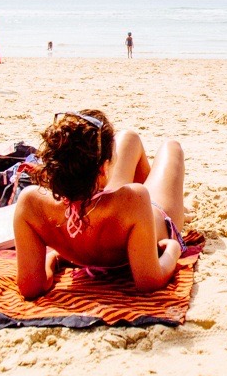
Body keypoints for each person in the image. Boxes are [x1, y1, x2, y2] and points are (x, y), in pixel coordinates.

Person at [13, 110, 186, 299]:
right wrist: (173, 249)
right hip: (148, 217)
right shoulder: (135, 198)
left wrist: (52, 259)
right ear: (103, 169)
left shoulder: (30, 203)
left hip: (101, 211)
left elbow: (31, 288)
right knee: (171, 147)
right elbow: (149, 281)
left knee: (129, 137)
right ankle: (155, 218)